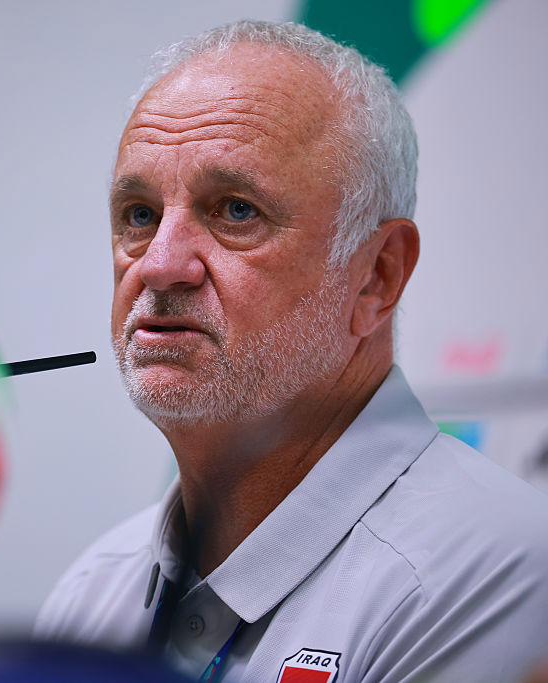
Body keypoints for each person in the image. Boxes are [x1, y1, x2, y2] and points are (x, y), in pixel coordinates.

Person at [33, 19, 548, 682]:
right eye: (139, 214)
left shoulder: (499, 578)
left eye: (236, 211)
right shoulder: (90, 590)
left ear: (377, 275)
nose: (159, 264)